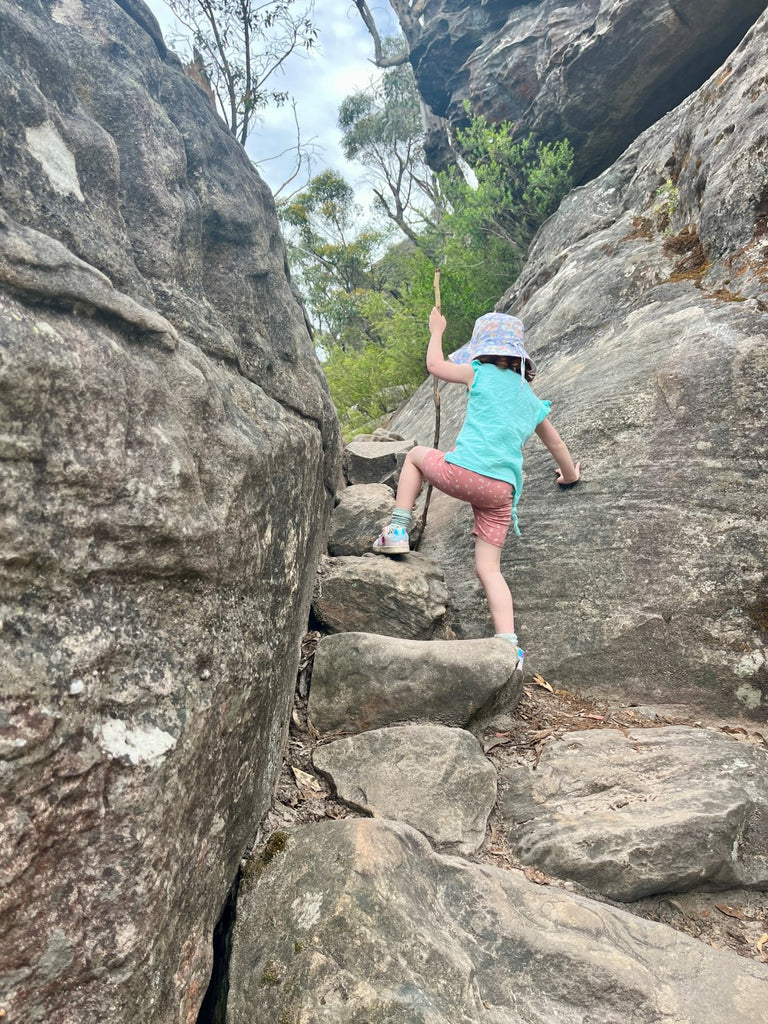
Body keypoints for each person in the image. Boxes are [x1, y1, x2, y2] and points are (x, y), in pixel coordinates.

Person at [373, 307, 581, 663]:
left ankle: (397, 529)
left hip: (464, 473)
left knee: (415, 456)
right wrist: (571, 475)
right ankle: (508, 645)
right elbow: (557, 445)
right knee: (489, 569)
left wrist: (436, 330)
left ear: (482, 349)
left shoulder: (479, 372)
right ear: (519, 356)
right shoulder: (530, 400)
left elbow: (435, 367)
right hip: (502, 493)